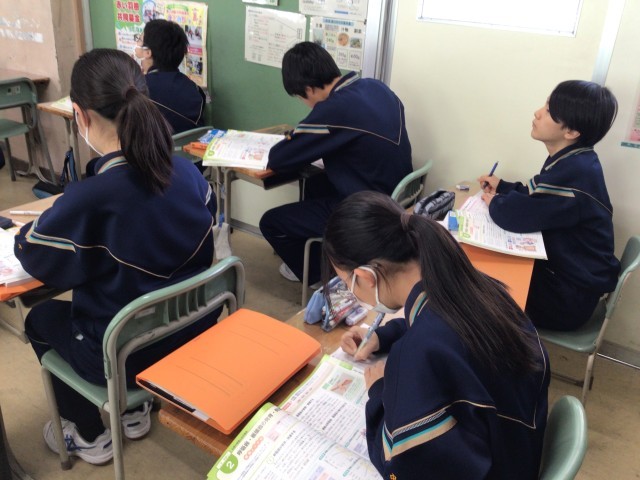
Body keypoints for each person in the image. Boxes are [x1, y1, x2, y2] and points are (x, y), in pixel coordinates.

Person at [15, 49, 219, 466]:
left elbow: (33, 255)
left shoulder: (90, 198)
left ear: (80, 115)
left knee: (41, 318)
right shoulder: (188, 174)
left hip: (122, 354)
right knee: (135, 287)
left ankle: (88, 434)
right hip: (189, 334)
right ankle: (135, 413)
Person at [325, 191, 549, 479]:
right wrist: (384, 335)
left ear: (366, 277)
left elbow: (400, 466)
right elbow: (449, 327)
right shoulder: (473, 285)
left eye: (347, 282)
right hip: (517, 447)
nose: (351, 291)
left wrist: (379, 391)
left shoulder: (416, 354)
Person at [259, 41, 412, 287]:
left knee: (271, 223)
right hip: (395, 196)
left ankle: (318, 277)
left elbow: (279, 159)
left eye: (300, 97)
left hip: (369, 212)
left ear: (308, 90)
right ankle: (328, 257)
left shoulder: (334, 109)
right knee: (315, 183)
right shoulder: (375, 87)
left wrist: (297, 138)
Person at [478, 80, 620, 331]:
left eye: (549, 111)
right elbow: (537, 196)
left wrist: (495, 203)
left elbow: (518, 216)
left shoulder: (575, 174)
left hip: (566, 299)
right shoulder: (576, 160)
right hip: (569, 281)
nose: (537, 113)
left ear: (571, 131)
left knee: (476, 283)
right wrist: (502, 187)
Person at [134, 19, 206, 134]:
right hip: (188, 146)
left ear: (148, 52)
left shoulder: (137, 90)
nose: (136, 45)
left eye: (139, 40)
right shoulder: (195, 89)